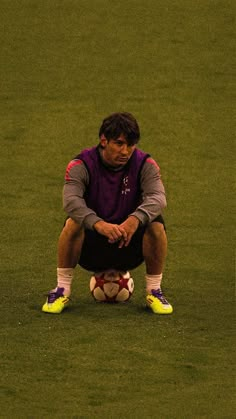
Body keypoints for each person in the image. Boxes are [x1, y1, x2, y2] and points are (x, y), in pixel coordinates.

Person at [42, 112, 173, 314]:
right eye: (119, 144)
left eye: (130, 145)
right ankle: (61, 289)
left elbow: (158, 198)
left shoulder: (145, 164)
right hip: (91, 247)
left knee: (156, 224)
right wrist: (99, 224)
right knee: (73, 222)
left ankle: (154, 290)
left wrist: (134, 220)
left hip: (128, 244)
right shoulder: (81, 165)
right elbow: (71, 201)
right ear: (103, 140)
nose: (126, 151)